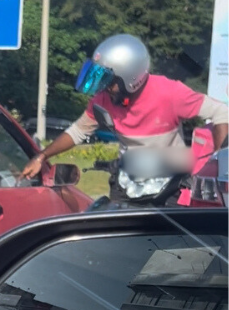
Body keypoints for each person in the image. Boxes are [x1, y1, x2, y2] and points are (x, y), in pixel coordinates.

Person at [21, 34, 228, 196]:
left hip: (170, 186)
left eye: (109, 82)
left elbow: (222, 113)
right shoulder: (103, 99)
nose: (104, 89)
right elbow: (77, 132)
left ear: (130, 78)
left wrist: (216, 166)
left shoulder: (169, 92)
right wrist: (42, 156)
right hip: (126, 183)